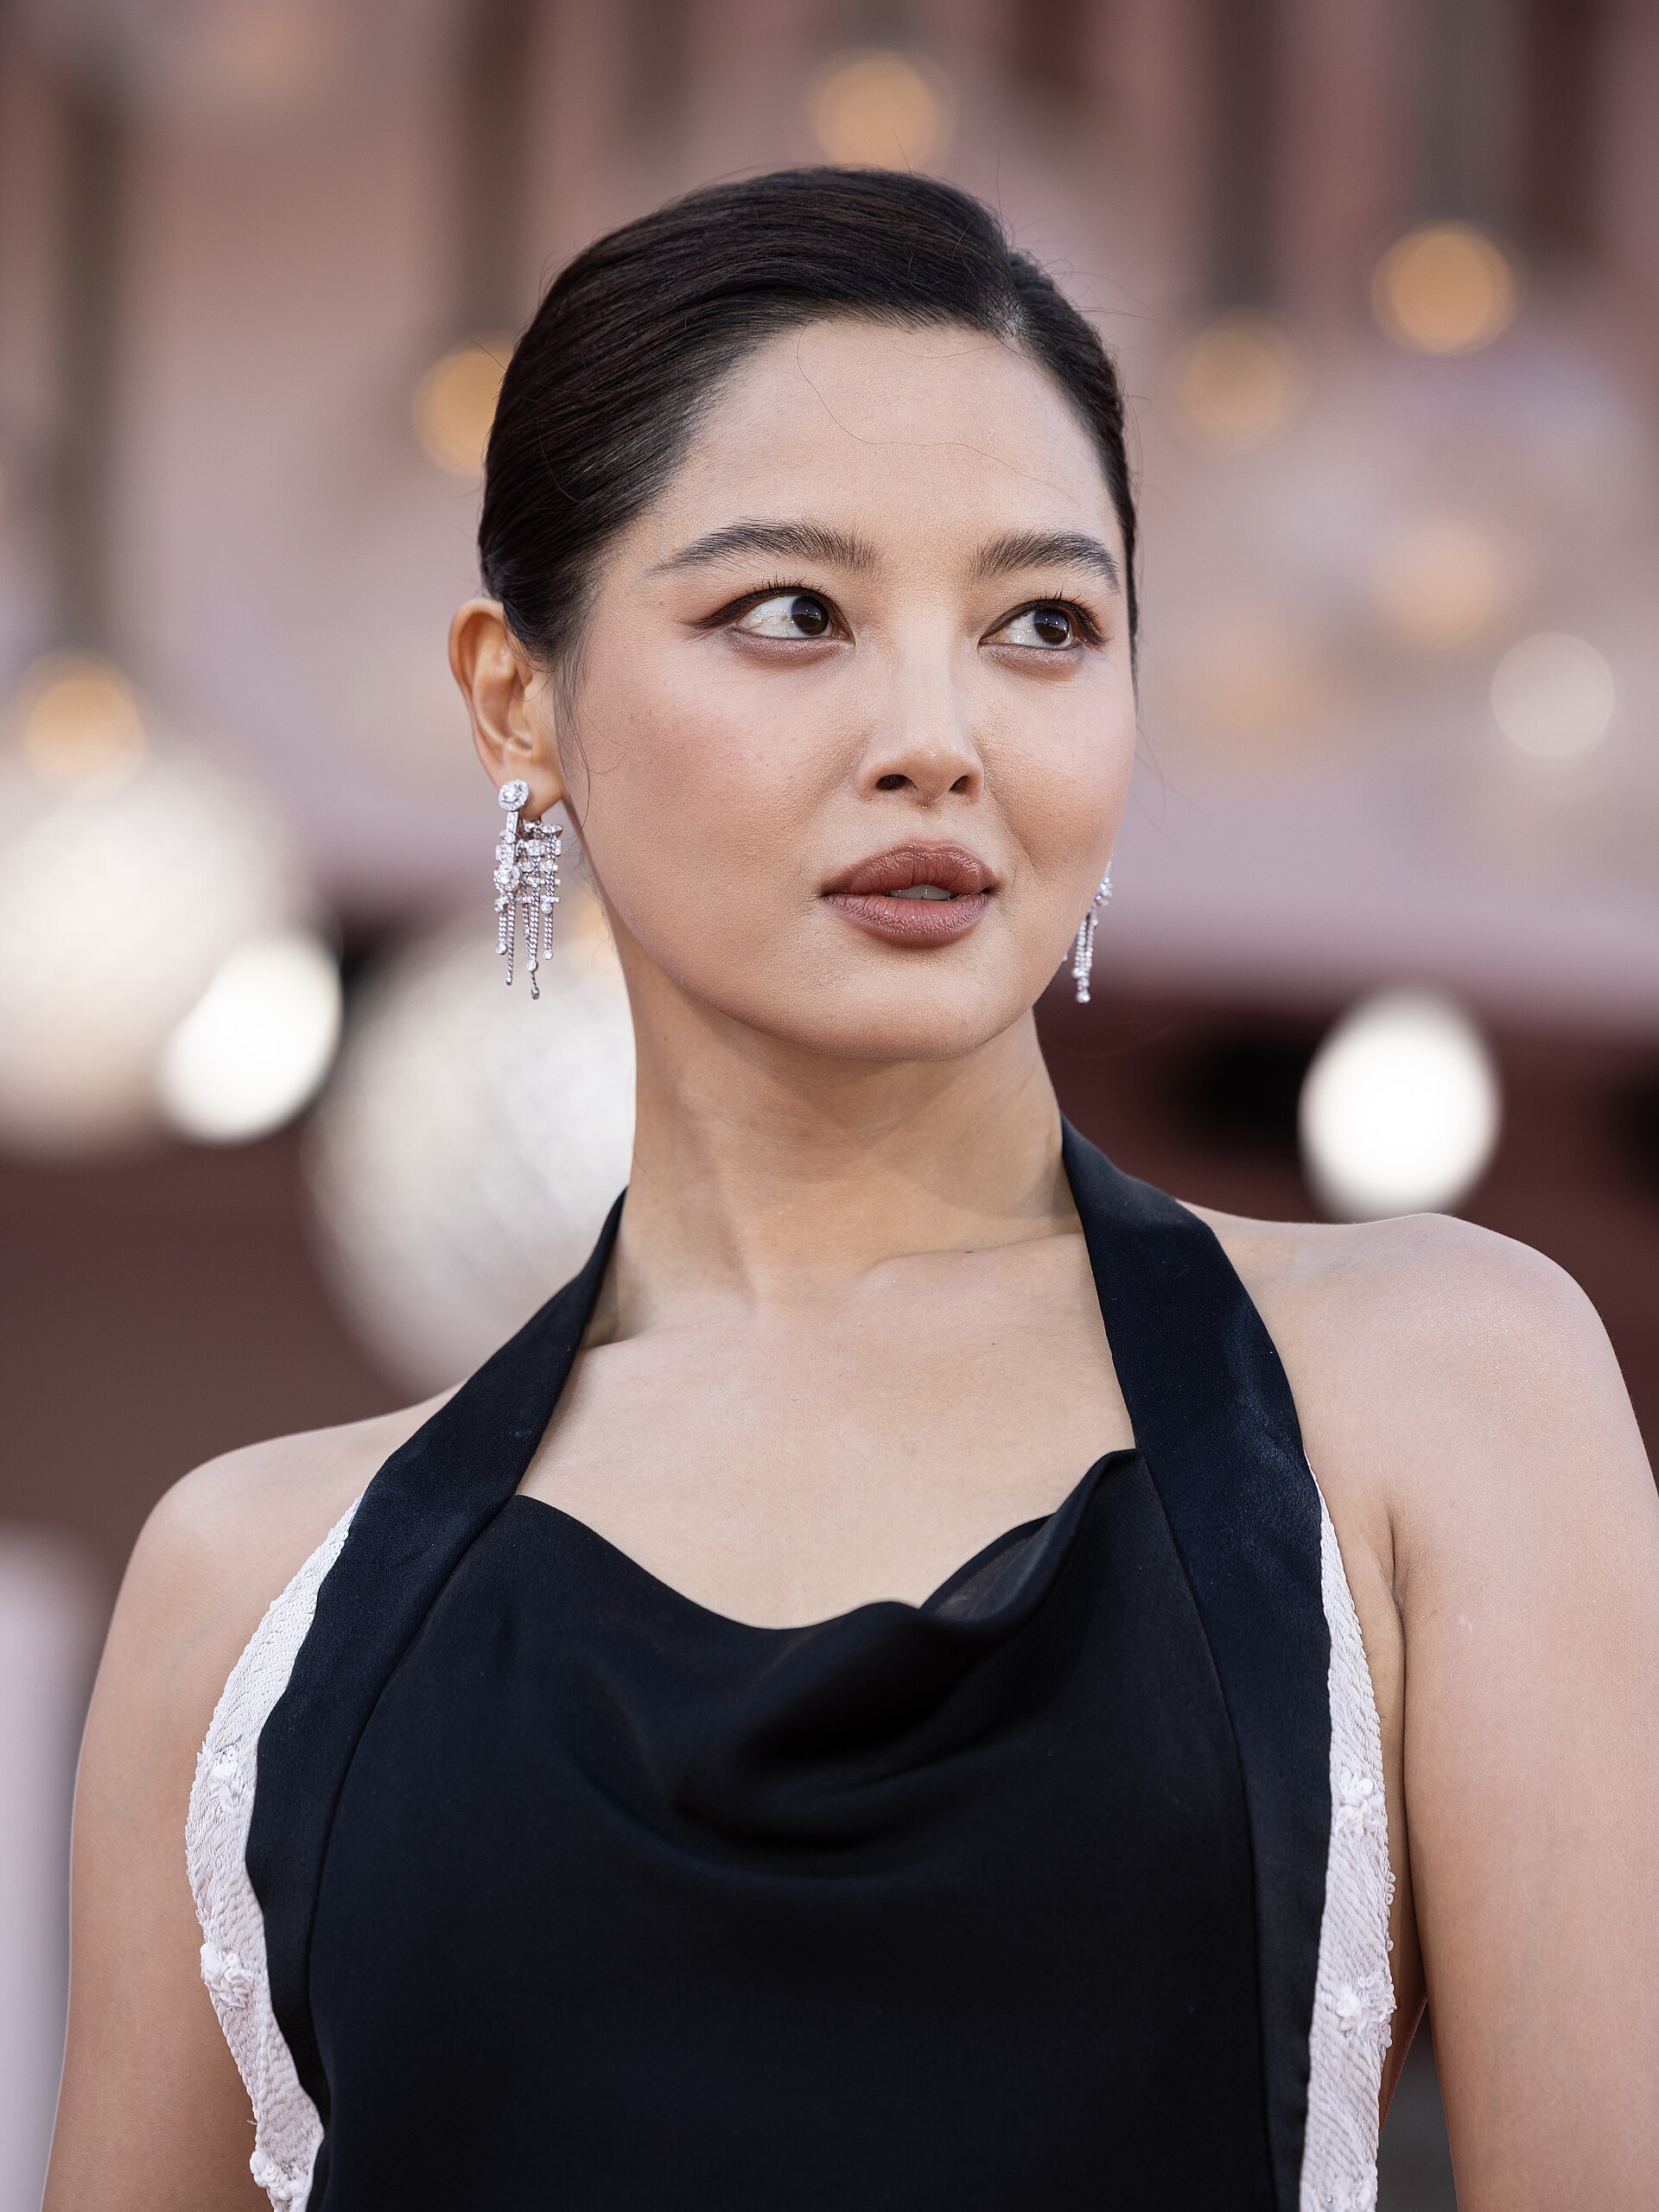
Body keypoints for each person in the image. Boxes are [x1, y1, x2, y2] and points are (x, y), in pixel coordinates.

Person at [45, 169, 1659, 2212]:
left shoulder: (1434, 1390)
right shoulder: (252, 1592)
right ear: (514, 698)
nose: (938, 735)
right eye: (792, 613)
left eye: (1043, 625)